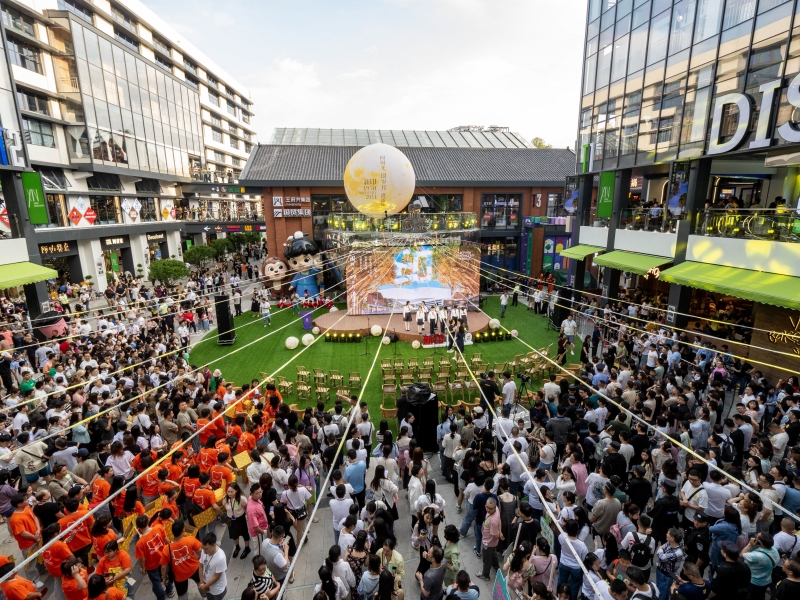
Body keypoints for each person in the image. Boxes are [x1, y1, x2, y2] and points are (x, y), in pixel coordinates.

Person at [161, 520, 202, 600]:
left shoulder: (166, 549)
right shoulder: (190, 539)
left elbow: (163, 567)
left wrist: (164, 577)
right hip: (194, 568)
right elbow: (200, 551)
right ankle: (205, 595)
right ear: (183, 530)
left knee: (182, 595)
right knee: (201, 583)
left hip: (179, 575)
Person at [742, 532, 780, 600]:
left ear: (759, 542)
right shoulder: (774, 550)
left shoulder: (756, 556)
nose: (754, 537)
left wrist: (749, 545)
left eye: (756, 536)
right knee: (760, 596)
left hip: (754, 582)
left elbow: (742, 554)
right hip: (766, 580)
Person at [655, 528, 685, 600]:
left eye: (668, 533)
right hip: (661, 571)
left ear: (672, 538)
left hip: (666, 575)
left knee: (662, 593)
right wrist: (661, 551)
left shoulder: (677, 552)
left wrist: (661, 550)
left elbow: (661, 557)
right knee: (662, 591)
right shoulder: (669, 543)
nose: (666, 534)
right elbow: (661, 553)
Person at [198, 533, 227, 600]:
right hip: (207, 587)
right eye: (203, 548)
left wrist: (205, 586)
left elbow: (217, 577)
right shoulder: (204, 551)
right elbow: (201, 565)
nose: (204, 551)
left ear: (214, 545)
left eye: (206, 549)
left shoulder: (220, 557)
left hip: (218, 589)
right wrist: (202, 582)